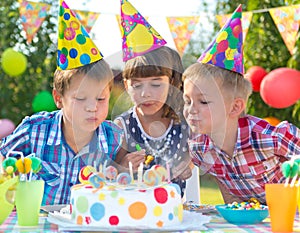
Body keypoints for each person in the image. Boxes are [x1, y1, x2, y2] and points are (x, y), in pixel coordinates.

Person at [0, 1, 123, 205]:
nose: (92, 107)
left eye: (101, 98)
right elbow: (2, 154)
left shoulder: (114, 139)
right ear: (58, 99)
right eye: (81, 98)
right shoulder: (35, 130)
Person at [182, 5, 300, 204]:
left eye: (203, 101)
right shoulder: (199, 148)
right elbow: (227, 189)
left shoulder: (270, 137)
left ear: (235, 107)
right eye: (187, 100)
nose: (191, 109)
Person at [114, 0, 192, 198]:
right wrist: (123, 168)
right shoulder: (122, 126)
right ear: (126, 86)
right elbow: (110, 178)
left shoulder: (185, 123)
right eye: (137, 85)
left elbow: (203, 157)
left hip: (173, 215)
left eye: (156, 84)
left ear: (172, 83)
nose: (145, 93)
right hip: (131, 212)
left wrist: (189, 165)